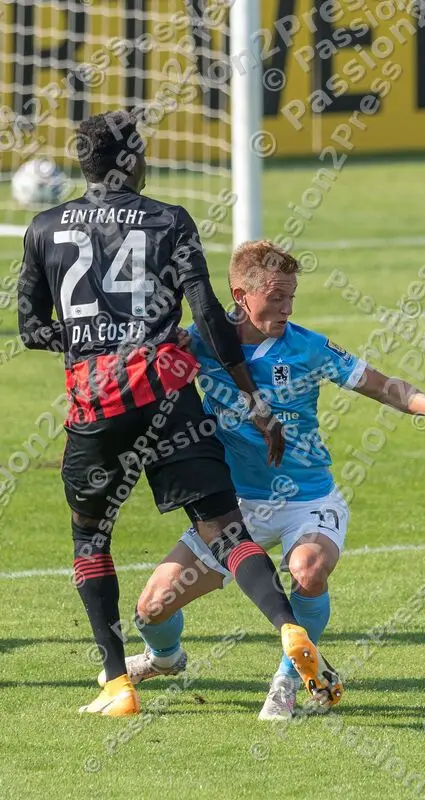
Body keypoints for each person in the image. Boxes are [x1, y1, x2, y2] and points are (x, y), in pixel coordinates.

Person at [17, 111, 341, 716]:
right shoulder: (170, 219)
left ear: (84, 165)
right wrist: (252, 399)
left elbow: (33, 330)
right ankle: (286, 626)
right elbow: (211, 318)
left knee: (92, 537)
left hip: (97, 401)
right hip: (169, 398)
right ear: (133, 161)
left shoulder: (43, 228)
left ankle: (117, 684)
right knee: (226, 528)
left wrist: (96, 343)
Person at [117, 239, 425, 719]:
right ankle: (165, 658)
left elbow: (378, 383)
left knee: (308, 570)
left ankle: (290, 679)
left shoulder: (308, 347)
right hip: (229, 510)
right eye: (276, 298)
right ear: (240, 294)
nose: (287, 308)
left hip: (307, 500)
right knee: (152, 608)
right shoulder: (203, 340)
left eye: (292, 297)